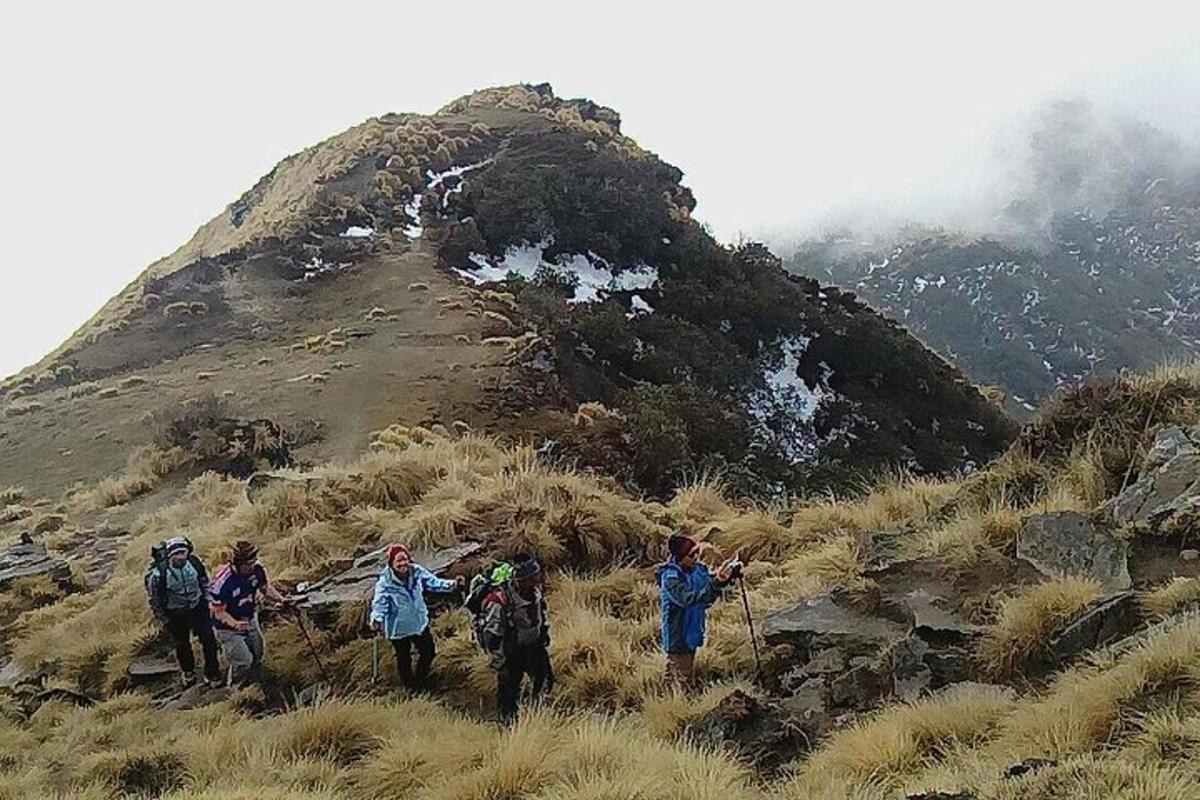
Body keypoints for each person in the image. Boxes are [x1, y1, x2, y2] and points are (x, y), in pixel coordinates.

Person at [368, 543, 464, 692]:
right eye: (398, 561)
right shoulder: (385, 583)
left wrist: (452, 585)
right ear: (391, 563)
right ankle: (412, 688)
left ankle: (420, 680)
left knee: (428, 651)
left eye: (405, 559)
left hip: (419, 623)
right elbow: (380, 604)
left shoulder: (417, 572)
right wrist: (376, 619)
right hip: (398, 629)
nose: (403, 563)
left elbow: (433, 583)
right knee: (403, 658)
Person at [478, 553, 553, 722]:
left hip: (535, 645)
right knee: (509, 690)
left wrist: (544, 634)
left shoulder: (536, 590)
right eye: (534, 576)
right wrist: (499, 663)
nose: (539, 578)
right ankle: (507, 722)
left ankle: (537, 710)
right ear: (522, 579)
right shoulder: (499, 600)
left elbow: (541, 613)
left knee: (544, 678)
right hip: (511, 651)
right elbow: (492, 636)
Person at [656, 535, 738, 687]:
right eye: (692, 554)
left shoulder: (697, 569)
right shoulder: (670, 579)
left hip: (693, 629)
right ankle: (681, 705)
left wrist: (724, 577)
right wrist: (716, 583)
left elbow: (709, 583)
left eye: (697, 552)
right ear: (680, 557)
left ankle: (667, 696)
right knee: (682, 676)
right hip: (679, 633)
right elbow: (689, 599)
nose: (696, 557)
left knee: (676, 672)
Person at [208, 540, 289, 686]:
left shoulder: (257, 569)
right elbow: (217, 611)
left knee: (258, 653)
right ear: (237, 564)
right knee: (244, 661)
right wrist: (235, 624)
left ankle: (255, 683)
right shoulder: (222, 583)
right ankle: (236, 690)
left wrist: (281, 599)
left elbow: (265, 588)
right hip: (228, 628)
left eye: (253, 562)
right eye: (247, 564)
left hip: (250, 618)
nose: (251, 567)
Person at [146, 536, 221, 687]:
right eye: (177, 554)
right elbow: (155, 600)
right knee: (182, 645)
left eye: (183, 552)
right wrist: (164, 619)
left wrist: (208, 600)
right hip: (175, 614)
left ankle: (212, 673)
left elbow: (204, 582)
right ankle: (188, 672)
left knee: (210, 641)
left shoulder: (194, 564)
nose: (181, 557)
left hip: (198, 608)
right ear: (170, 556)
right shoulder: (158, 575)